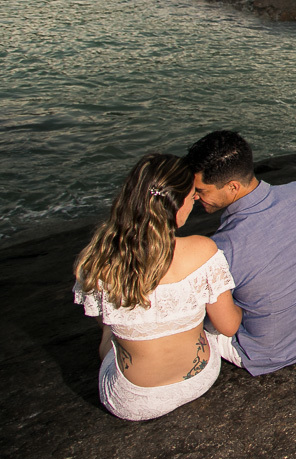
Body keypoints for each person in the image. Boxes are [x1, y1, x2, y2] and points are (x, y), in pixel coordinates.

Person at [73, 154, 242, 421]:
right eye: (191, 198)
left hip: (131, 401)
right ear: (175, 205)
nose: (195, 202)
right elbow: (229, 326)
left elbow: (103, 319)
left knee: (110, 331)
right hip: (199, 378)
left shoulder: (96, 261)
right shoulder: (203, 250)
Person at [184, 130, 296, 376]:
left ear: (232, 186)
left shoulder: (223, 247)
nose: (194, 196)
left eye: (201, 190)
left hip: (267, 352)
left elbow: (222, 322)